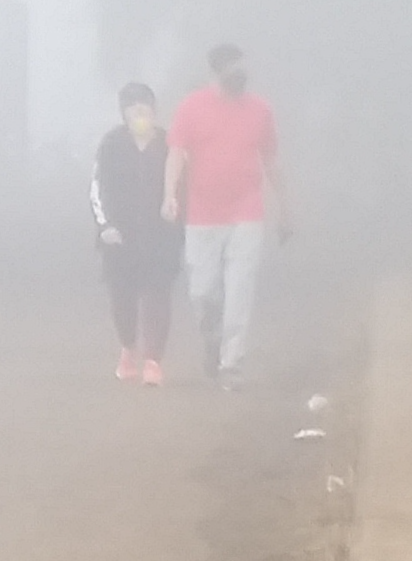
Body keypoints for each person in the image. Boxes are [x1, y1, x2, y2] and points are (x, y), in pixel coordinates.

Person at [165, 42, 285, 387]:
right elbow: (176, 153)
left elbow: (271, 161)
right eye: (233, 68)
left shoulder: (260, 110)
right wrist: (169, 195)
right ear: (216, 71)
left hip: (247, 212)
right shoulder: (191, 108)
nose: (240, 75)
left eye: (242, 67)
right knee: (203, 291)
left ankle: (232, 364)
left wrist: (284, 206)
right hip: (202, 215)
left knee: (240, 288)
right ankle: (212, 336)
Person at [90, 81, 179, 385]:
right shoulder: (111, 144)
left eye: (145, 106)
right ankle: (128, 348)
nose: (140, 112)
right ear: (124, 113)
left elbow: (182, 184)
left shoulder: (170, 144)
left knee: (158, 295)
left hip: (161, 234)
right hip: (120, 235)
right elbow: (96, 188)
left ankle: (153, 360)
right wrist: (105, 226)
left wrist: (178, 216)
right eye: (133, 106)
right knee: (122, 297)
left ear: (154, 110)